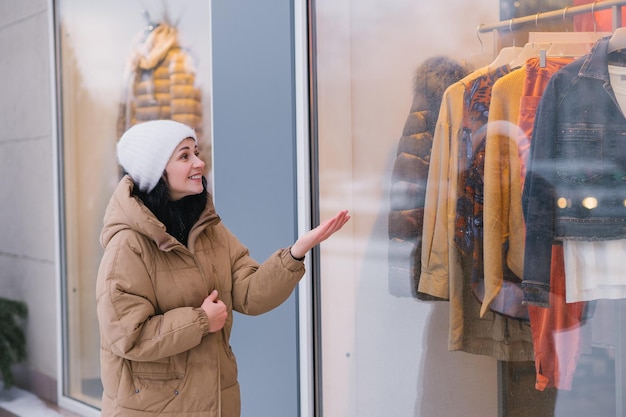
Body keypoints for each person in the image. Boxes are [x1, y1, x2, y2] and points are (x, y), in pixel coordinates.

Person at [95, 119, 350, 417]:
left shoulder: (208, 229)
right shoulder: (128, 244)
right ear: (156, 171)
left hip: (215, 401)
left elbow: (249, 295)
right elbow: (127, 336)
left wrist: (295, 253)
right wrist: (200, 321)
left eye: (196, 152)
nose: (199, 163)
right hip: (152, 408)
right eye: (184, 156)